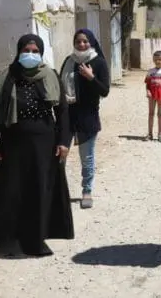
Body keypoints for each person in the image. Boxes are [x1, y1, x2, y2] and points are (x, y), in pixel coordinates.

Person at [0, 34, 74, 256]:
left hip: (44, 144)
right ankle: (4, 238)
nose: (30, 55)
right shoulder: (5, 76)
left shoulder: (50, 76)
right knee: (11, 190)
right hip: (12, 143)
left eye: (34, 51)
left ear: (40, 53)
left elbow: (62, 112)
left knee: (38, 189)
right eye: (26, 50)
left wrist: (63, 142)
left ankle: (35, 239)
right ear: (18, 51)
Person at [59, 28, 110, 209]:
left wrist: (91, 77)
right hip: (67, 117)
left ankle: (87, 191)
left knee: (86, 158)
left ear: (91, 42)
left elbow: (104, 90)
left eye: (85, 41)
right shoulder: (68, 61)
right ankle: (58, 192)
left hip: (88, 117)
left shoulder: (99, 63)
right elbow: (60, 87)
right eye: (78, 41)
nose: (81, 44)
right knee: (59, 155)